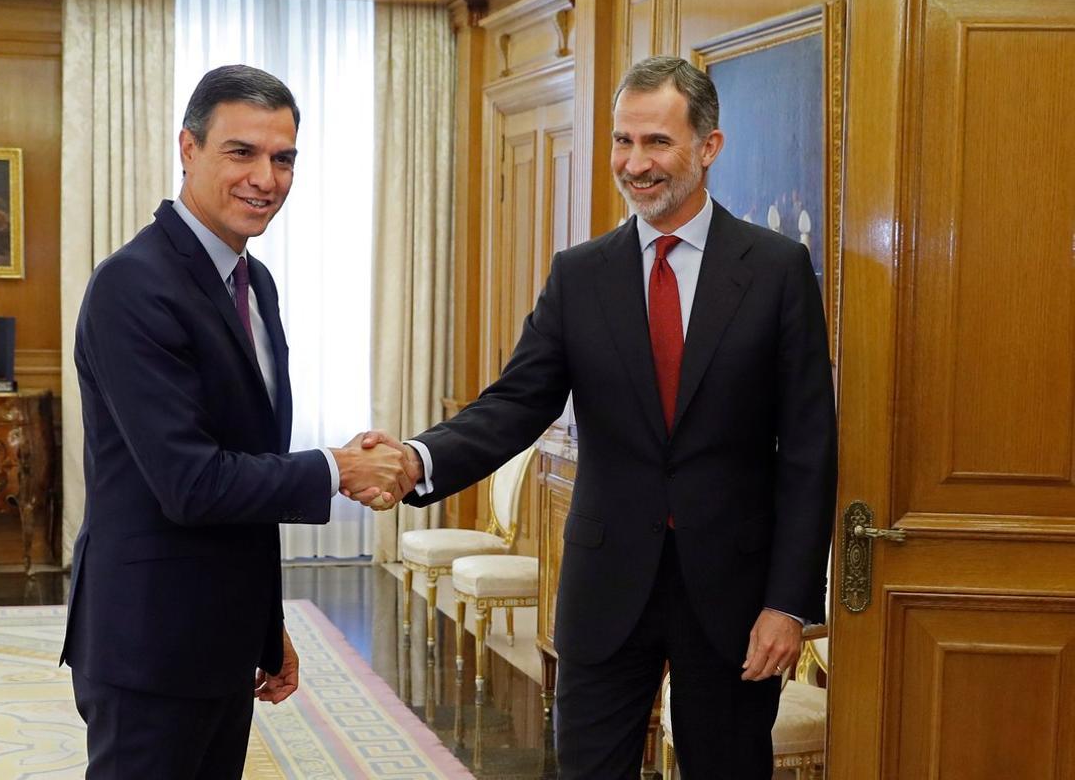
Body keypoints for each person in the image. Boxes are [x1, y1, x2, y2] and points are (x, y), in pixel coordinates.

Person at [366, 56, 837, 778]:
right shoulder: (579, 274)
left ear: (708, 147)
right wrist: (416, 459)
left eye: (657, 142)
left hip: (735, 598)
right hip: (605, 585)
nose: (635, 163)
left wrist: (789, 603)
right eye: (623, 141)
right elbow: (515, 403)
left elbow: (809, 449)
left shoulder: (776, 271)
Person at [60, 65, 414, 780]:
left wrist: (262, 624)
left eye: (283, 158)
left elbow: (247, 463)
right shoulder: (134, 284)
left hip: (218, 637)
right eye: (241, 152)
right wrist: (337, 468)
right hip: (149, 645)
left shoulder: (255, 282)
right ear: (187, 149)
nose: (267, 177)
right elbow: (190, 481)